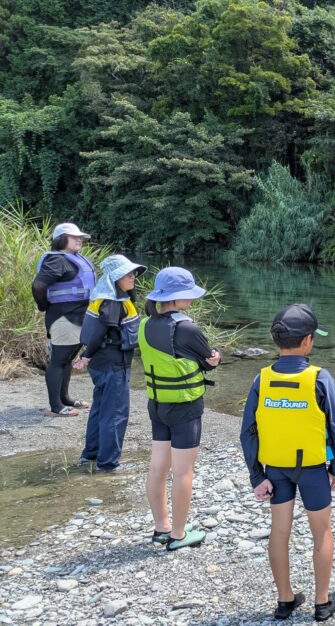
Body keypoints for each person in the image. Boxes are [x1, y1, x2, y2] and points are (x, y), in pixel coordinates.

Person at [241, 304, 335, 622]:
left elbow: (248, 432)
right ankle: (322, 602)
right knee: (322, 533)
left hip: (275, 469)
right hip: (313, 469)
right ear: (308, 341)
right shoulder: (320, 378)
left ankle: (285, 600)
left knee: (279, 533)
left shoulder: (262, 379)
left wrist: (256, 476)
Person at [139, 267, 221, 551]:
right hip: (185, 406)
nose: (191, 298)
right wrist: (216, 359)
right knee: (183, 471)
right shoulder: (185, 327)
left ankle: (161, 527)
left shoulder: (145, 324)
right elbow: (209, 360)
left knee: (158, 466)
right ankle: (178, 534)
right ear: (177, 298)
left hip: (158, 403)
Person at [73, 254, 145, 471]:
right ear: (115, 277)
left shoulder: (106, 296)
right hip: (113, 362)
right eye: (128, 273)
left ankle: (91, 455)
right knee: (115, 412)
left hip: (103, 362)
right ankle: (108, 463)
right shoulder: (113, 301)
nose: (133, 276)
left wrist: (88, 355)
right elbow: (101, 331)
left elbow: (97, 333)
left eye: (133, 273)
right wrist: (86, 355)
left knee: (101, 408)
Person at [32, 223, 96, 417]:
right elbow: (38, 286)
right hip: (63, 317)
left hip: (77, 316)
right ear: (60, 239)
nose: (79, 239)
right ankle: (55, 406)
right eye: (74, 236)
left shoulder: (73, 259)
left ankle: (64, 399)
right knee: (59, 361)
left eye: (80, 237)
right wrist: (44, 306)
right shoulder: (57, 260)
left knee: (67, 359)